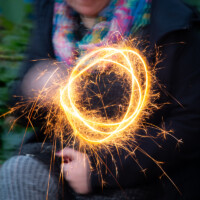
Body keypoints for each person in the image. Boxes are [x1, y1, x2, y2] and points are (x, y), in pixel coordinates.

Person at [0, 0, 200, 199]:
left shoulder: (169, 21)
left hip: (142, 172)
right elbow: (21, 113)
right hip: (65, 158)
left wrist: (100, 171)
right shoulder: (52, 12)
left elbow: (188, 126)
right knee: (20, 171)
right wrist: (33, 90)